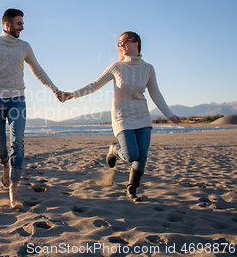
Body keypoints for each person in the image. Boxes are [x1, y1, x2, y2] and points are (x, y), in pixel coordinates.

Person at [62, 31, 181, 201]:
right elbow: (95, 84)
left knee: (142, 156)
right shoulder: (116, 67)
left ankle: (132, 190)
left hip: (142, 116)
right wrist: (72, 94)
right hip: (122, 117)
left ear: (136, 43)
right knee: (131, 155)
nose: (121, 46)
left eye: (125, 42)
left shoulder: (148, 69)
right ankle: (114, 149)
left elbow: (155, 94)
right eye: (119, 43)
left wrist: (170, 115)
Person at [0, 8, 64, 208]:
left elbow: (37, 70)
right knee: (0, 146)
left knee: (18, 142)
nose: (23, 27)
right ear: (7, 24)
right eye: (19, 23)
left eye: (22, 23)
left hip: (17, 99)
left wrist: (54, 89)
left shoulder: (24, 46)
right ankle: (5, 165)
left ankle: (14, 188)